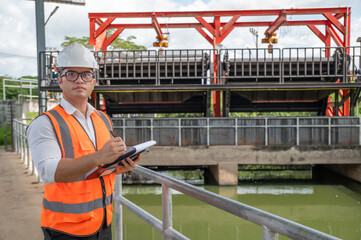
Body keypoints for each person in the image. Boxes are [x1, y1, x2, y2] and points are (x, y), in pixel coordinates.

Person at [27, 42, 140, 240]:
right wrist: (98, 157)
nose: (79, 80)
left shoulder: (102, 119)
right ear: (60, 80)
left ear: (93, 82)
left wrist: (120, 165)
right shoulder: (45, 123)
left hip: (103, 223)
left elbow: (99, 167)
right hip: (66, 230)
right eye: (71, 74)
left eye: (86, 74)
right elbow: (48, 172)